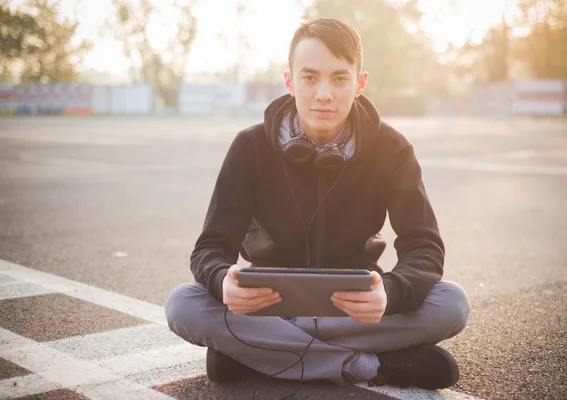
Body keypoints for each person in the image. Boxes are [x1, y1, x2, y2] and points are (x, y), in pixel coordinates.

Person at [165, 17, 470, 390]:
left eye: (339, 79)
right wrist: (221, 281)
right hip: (269, 306)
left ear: (360, 84)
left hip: (353, 308)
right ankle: (366, 364)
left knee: (452, 303)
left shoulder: (392, 150)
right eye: (310, 78)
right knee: (183, 305)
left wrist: (389, 293)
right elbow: (211, 247)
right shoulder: (250, 147)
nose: (324, 93)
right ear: (290, 81)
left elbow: (424, 245)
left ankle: (260, 354)